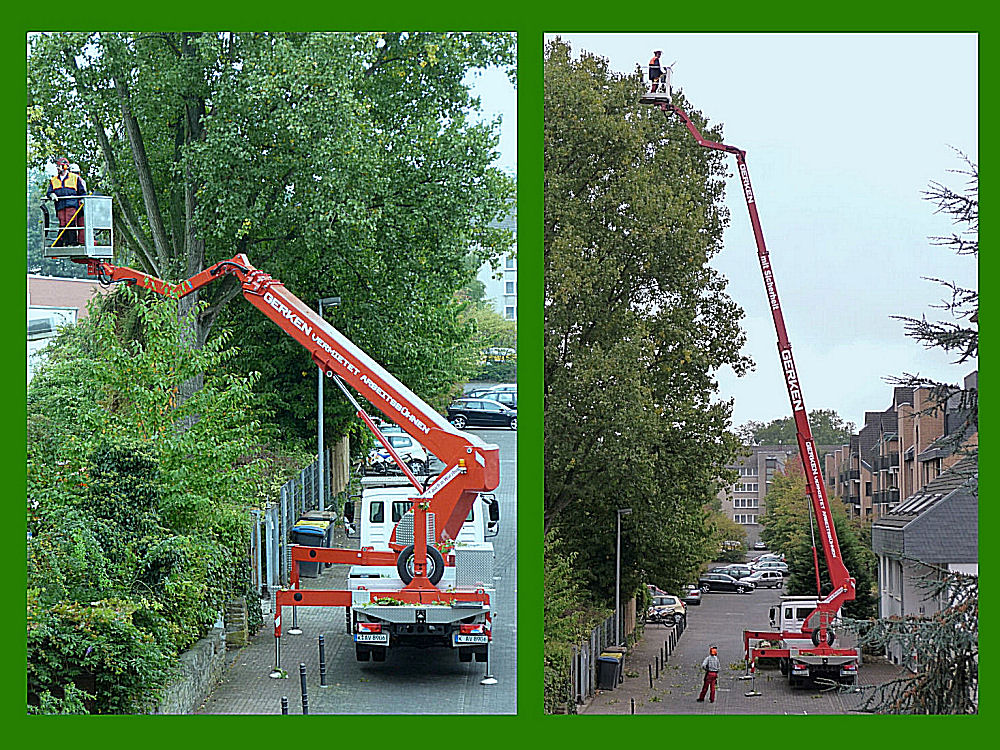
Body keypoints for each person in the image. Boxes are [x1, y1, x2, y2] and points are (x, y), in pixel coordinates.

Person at [46, 157, 87, 246]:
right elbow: (49, 192)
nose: (57, 168)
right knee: (62, 223)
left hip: (71, 204)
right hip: (60, 205)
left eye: (59, 166)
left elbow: (82, 192)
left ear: (65, 167)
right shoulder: (54, 180)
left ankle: (72, 242)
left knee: (70, 222)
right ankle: (62, 242)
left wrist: (82, 200)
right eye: (57, 166)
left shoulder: (75, 178)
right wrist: (52, 195)